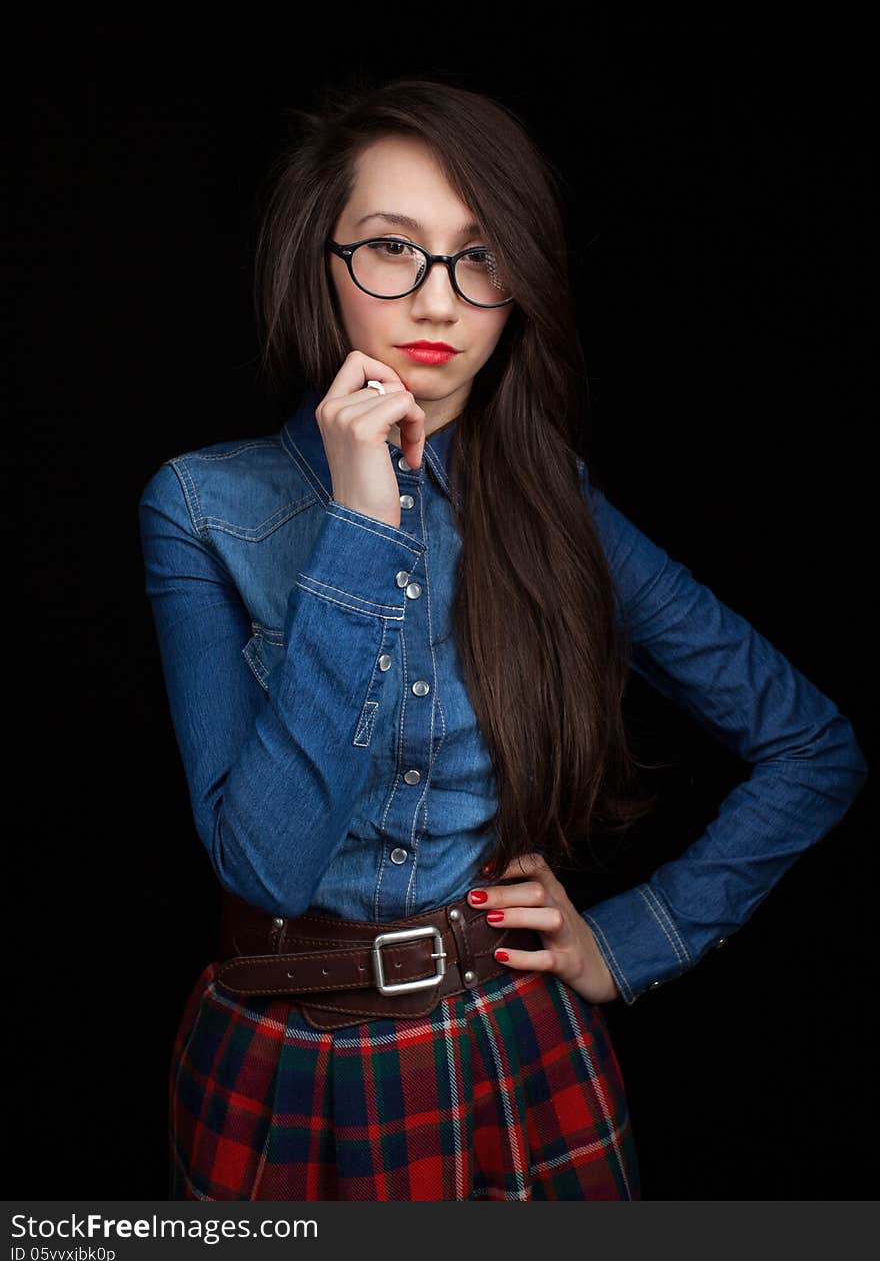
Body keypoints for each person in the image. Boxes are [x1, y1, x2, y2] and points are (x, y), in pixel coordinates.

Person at [138, 76, 868, 1202]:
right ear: (317, 266)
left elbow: (811, 744)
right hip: (273, 1066)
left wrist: (632, 939)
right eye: (391, 248)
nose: (436, 302)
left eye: (480, 258)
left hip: (503, 1052)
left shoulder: (553, 506)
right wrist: (360, 522)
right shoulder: (200, 508)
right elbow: (267, 863)